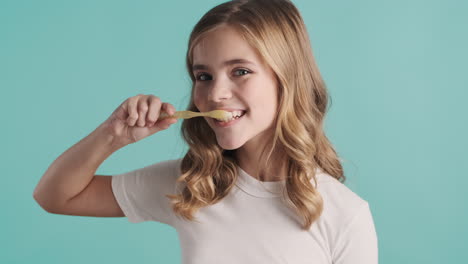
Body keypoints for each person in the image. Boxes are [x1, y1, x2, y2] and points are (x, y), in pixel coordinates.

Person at [33, 0, 378, 263]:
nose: (215, 94)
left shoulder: (344, 214)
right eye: (204, 76)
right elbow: (54, 196)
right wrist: (113, 135)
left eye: (240, 71)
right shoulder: (193, 186)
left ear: (285, 79)